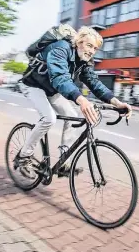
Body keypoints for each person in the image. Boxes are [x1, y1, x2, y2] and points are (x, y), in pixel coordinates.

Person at [17, 26, 132, 178]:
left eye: (95, 48)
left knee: (71, 115)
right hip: (33, 85)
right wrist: (81, 99)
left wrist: (117, 103)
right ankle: (24, 157)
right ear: (78, 42)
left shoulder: (84, 61)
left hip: (51, 90)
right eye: (89, 45)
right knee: (49, 118)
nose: (91, 51)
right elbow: (60, 77)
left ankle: (64, 161)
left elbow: (94, 83)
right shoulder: (60, 48)